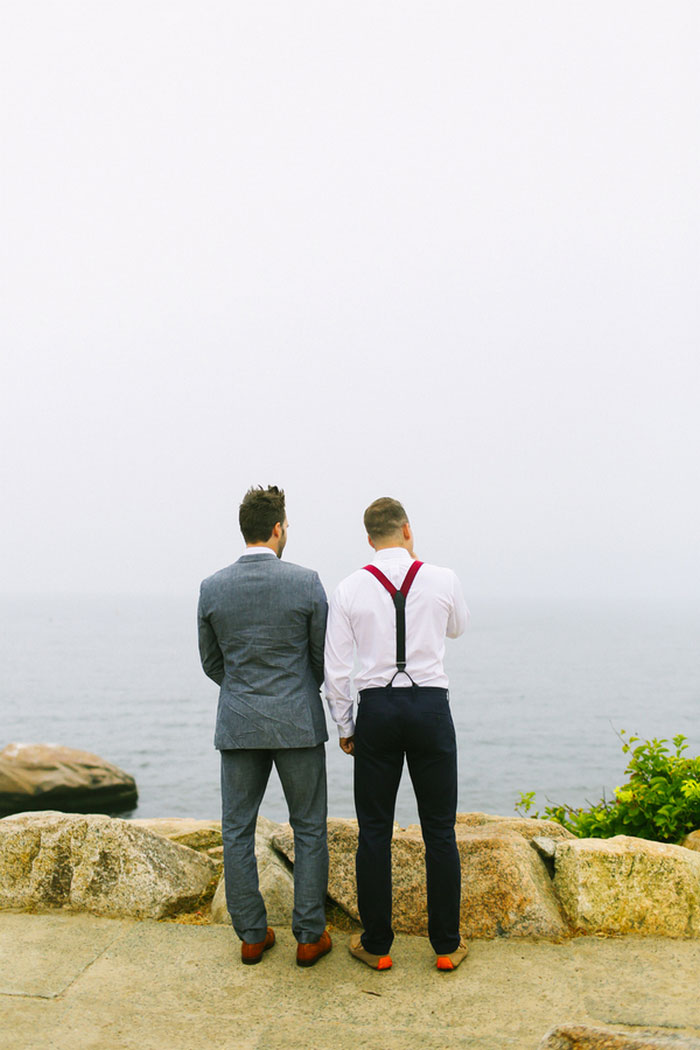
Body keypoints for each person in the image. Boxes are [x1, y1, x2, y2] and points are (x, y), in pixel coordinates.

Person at [324, 496, 469, 971]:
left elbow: (337, 670)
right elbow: (457, 628)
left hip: (377, 712)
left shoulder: (349, 588)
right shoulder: (443, 578)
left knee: (374, 832)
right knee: (440, 831)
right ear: (407, 529)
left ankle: (378, 945)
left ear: (369, 539)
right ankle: (446, 947)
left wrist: (346, 726)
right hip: (429, 707)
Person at [198, 485, 332, 967]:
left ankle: (252, 934)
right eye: (287, 526)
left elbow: (212, 663)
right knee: (310, 828)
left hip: (238, 724)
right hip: (297, 722)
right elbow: (321, 659)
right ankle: (309, 935)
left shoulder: (212, 587)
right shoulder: (306, 582)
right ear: (277, 528)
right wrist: (295, 689)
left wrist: (242, 691)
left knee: (236, 830)